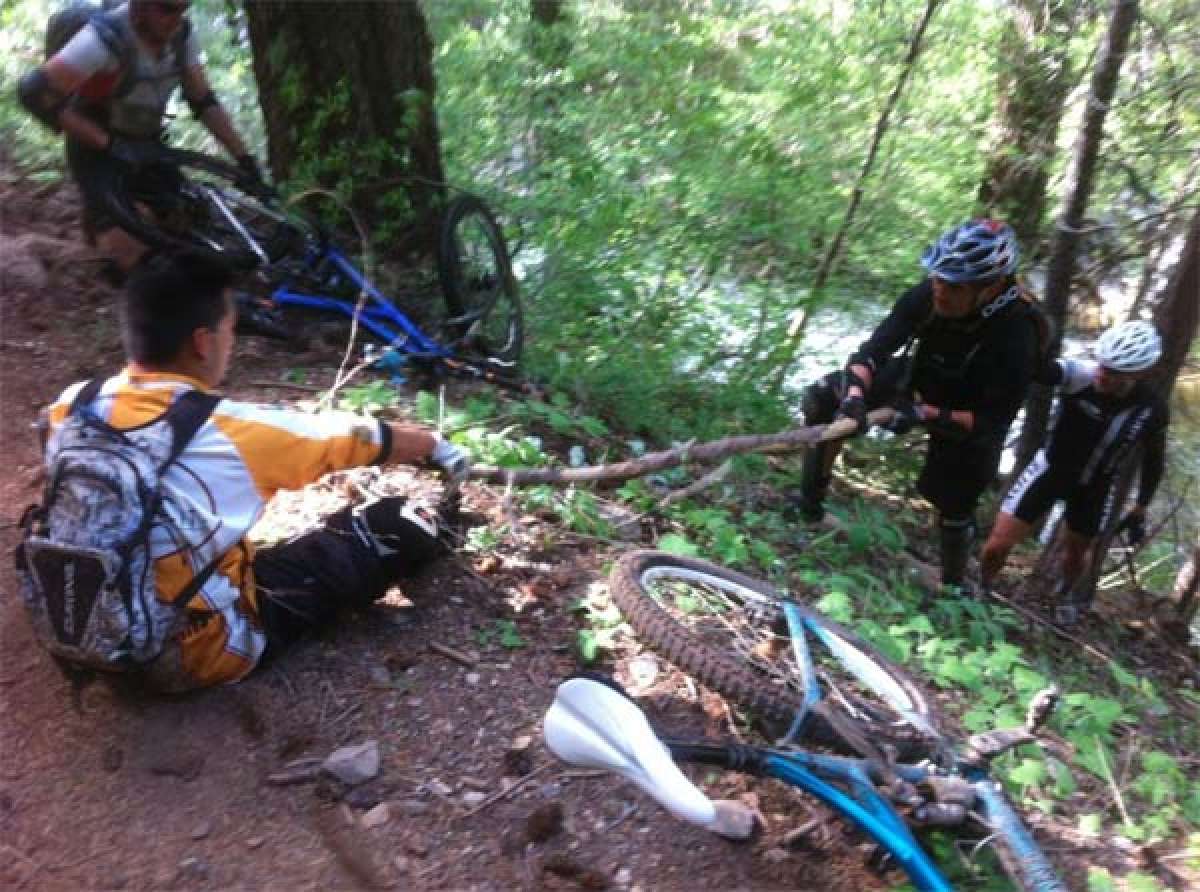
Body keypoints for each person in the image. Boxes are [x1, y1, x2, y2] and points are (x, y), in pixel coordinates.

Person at [36, 251, 471, 691]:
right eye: (230, 328)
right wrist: (435, 444)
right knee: (393, 525)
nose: (232, 341)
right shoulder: (226, 431)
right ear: (203, 342)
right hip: (194, 654)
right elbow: (354, 438)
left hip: (82, 623)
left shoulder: (72, 405)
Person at [794, 219, 1042, 592]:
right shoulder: (929, 295)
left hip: (971, 409)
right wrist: (855, 401)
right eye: (938, 279)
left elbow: (991, 421)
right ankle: (808, 505)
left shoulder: (1018, 334)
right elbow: (870, 353)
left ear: (990, 288)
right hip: (921, 376)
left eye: (954, 287)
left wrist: (923, 415)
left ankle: (953, 585)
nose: (940, 291)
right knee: (823, 398)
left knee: (954, 497)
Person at [17, 0, 262, 276]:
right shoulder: (101, 41)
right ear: (141, 6)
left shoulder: (181, 35)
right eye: (168, 9)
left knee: (186, 222)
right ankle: (100, 223)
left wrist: (243, 157)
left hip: (148, 147)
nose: (177, 19)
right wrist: (109, 144)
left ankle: (104, 220)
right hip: (96, 152)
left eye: (183, 10)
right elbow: (34, 93)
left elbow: (203, 101)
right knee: (137, 263)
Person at [980, 321, 1169, 626]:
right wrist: (1031, 329)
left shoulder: (1152, 409)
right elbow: (1039, 369)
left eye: (1115, 373)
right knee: (997, 545)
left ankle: (1063, 596)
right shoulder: (1080, 374)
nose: (1103, 375)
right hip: (1050, 471)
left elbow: (1154, 459)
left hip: (1096, 487)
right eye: (1103, 365)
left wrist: (1142, 505)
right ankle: (980, 589)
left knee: (1076, 555)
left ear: (1139, 373)